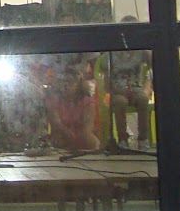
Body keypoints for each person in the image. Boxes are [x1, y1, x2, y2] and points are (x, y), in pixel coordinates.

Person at [105, 17, 151, 148]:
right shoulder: (112, 52)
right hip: (117, 90)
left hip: (136, 88)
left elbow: (154, 66)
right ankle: (122, 139)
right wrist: (115, 90)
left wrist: (147, 87)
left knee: (143, 99)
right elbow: (106, 80)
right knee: (120, 102)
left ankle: (143, 138)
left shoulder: (141, 51)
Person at [45, 63, 99, 152]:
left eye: (70, 81)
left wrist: (78, 138)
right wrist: (66, 133)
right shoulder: (54, 100)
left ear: (78, 84)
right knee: (57, 139)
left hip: (83, 138)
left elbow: (88, 128)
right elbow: (56, 124)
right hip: (62, 137)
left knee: (88, 138)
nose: (65, 84)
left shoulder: (87, 102)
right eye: (63, 82)